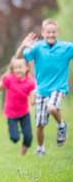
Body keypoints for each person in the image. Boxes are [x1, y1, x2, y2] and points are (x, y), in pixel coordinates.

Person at [14, 19, 71, 156]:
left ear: (57, 33)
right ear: (43, 33)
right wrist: (23, 46)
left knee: (52, 107)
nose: (51, 34)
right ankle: (40, 148)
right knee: (40, 124)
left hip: (58, 87)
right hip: (41, 90)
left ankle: (61, 125)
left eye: (53, 32)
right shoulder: (37, 48)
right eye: (48, 32)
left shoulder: (66, 47)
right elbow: (18, 58)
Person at [0, 58, 35, 155]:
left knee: (28, 136)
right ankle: (12, 129)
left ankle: (22, 155)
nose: (17, 70)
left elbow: (32, 95)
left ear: (26, 68)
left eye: (20, 67)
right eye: (15, 68)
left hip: (24, 113)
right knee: (15, 138)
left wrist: (33, 100)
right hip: (11, 114)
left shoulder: (30, 82)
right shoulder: (9, 79)